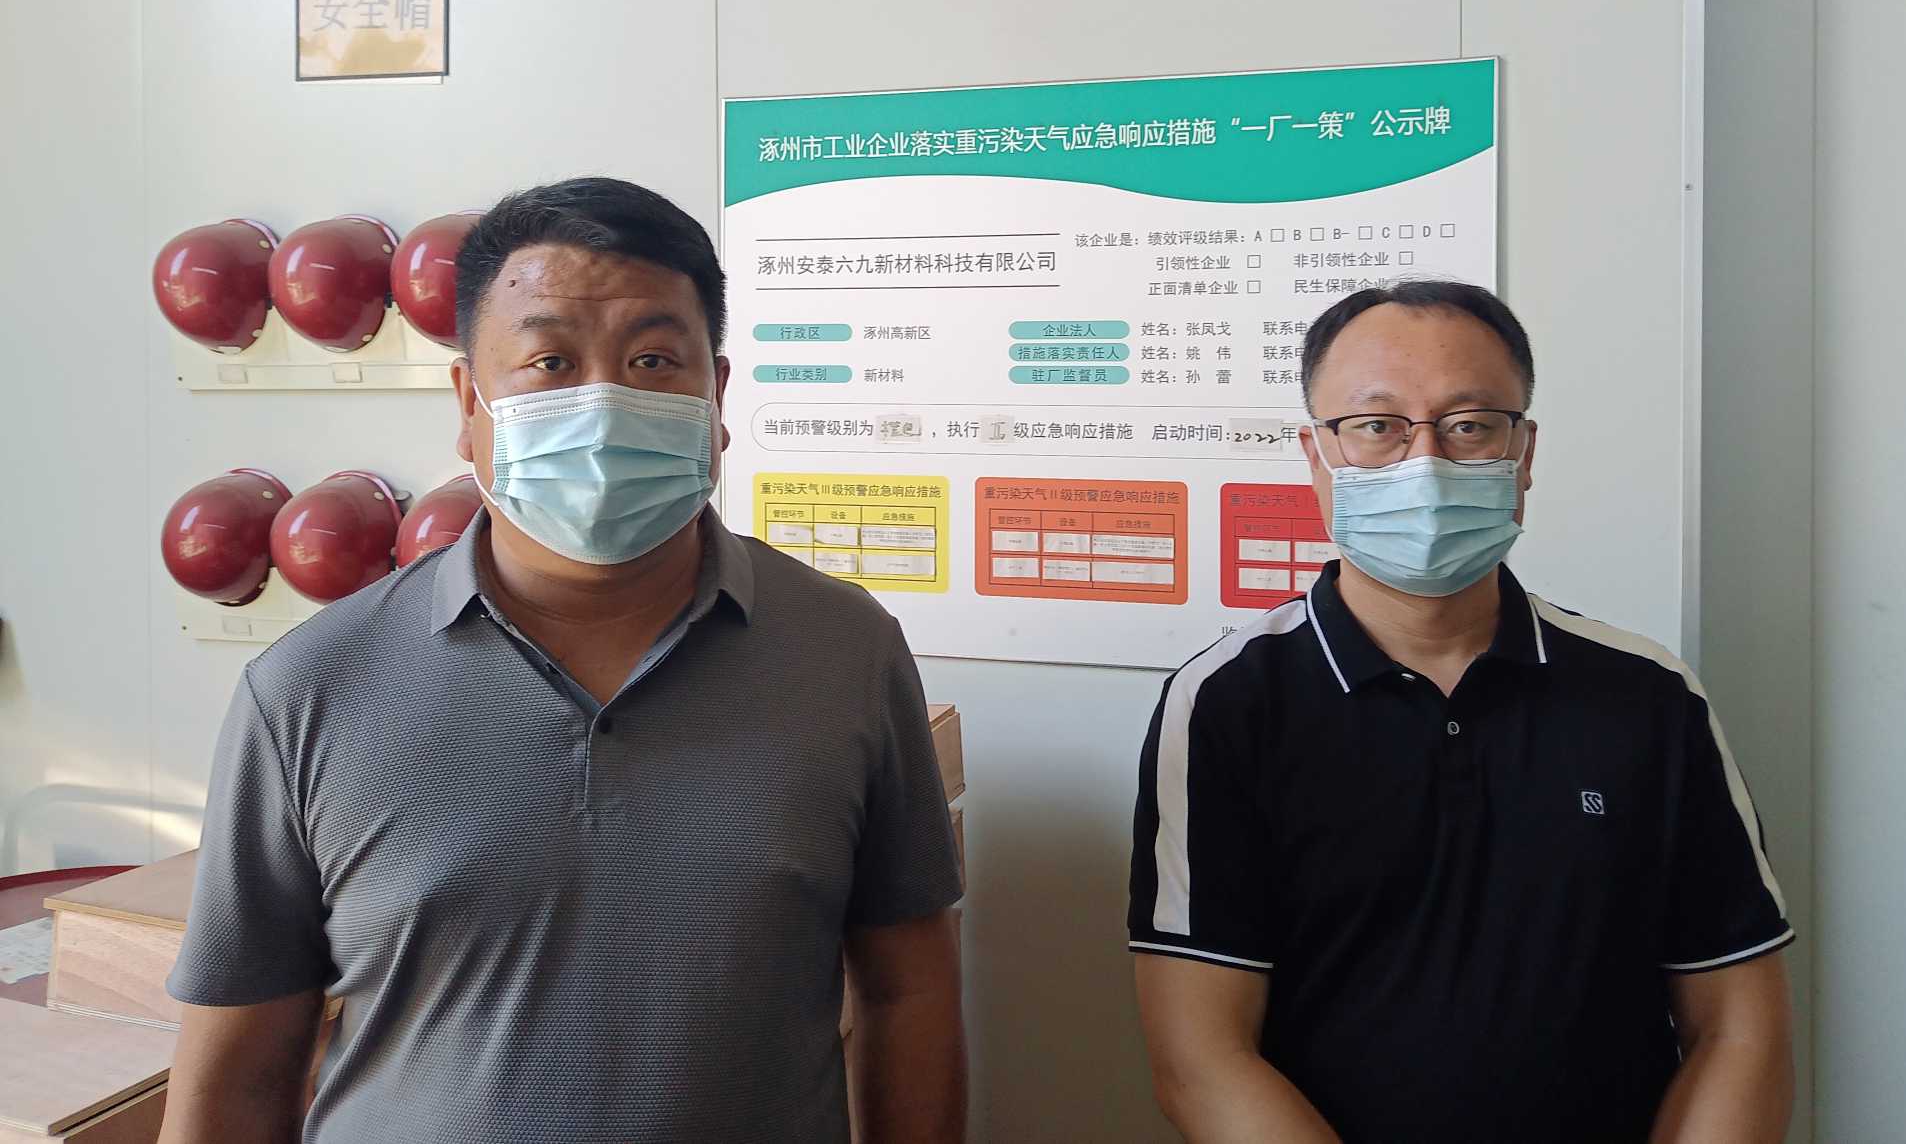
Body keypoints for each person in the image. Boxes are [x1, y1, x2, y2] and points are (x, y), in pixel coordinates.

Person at [160, 177, 967, 1144]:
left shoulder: (845, 651)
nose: (603, 403)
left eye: (653, 360)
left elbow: (909, 991)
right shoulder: (308, 689)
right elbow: (238, 1072)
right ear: (470, 402)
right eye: (549, 361)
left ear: (717, 393)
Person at [1129, 281, 1794, 1144]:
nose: (1426, 462)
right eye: (1377, 426)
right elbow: (1201, 1058)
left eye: (1470, 425)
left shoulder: (1648, 696)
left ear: (1523, 453)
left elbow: (1738, 1028)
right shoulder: (1226, 703)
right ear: (1316, 456)